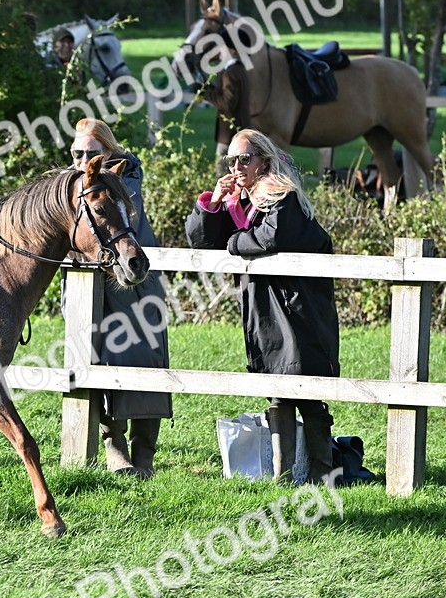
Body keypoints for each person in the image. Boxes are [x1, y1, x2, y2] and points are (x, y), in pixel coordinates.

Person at [185, 128, 340, 483]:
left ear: (264, 161)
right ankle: (282, 475)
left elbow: (269, 238)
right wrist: (213, 202)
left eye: (245, 159)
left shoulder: (281, 196)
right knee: (276, 391)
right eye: (232, 160)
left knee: (307, 389)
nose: (237, 166)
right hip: (264, 309)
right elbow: (201, 239)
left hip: (298, 309)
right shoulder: (242, 202)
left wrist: (233, 241)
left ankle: (323, 471)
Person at [69, 118, 171, 478]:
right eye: (77, 152)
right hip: (93, 287)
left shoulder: (123, 181)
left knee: (144, 361)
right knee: (98, 361)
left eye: (91, 153)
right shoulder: (73, 184)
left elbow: (124, 221)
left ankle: (144, 453)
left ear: (108, 151)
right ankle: (115, 445)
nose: (83, 159)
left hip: (136, 285)